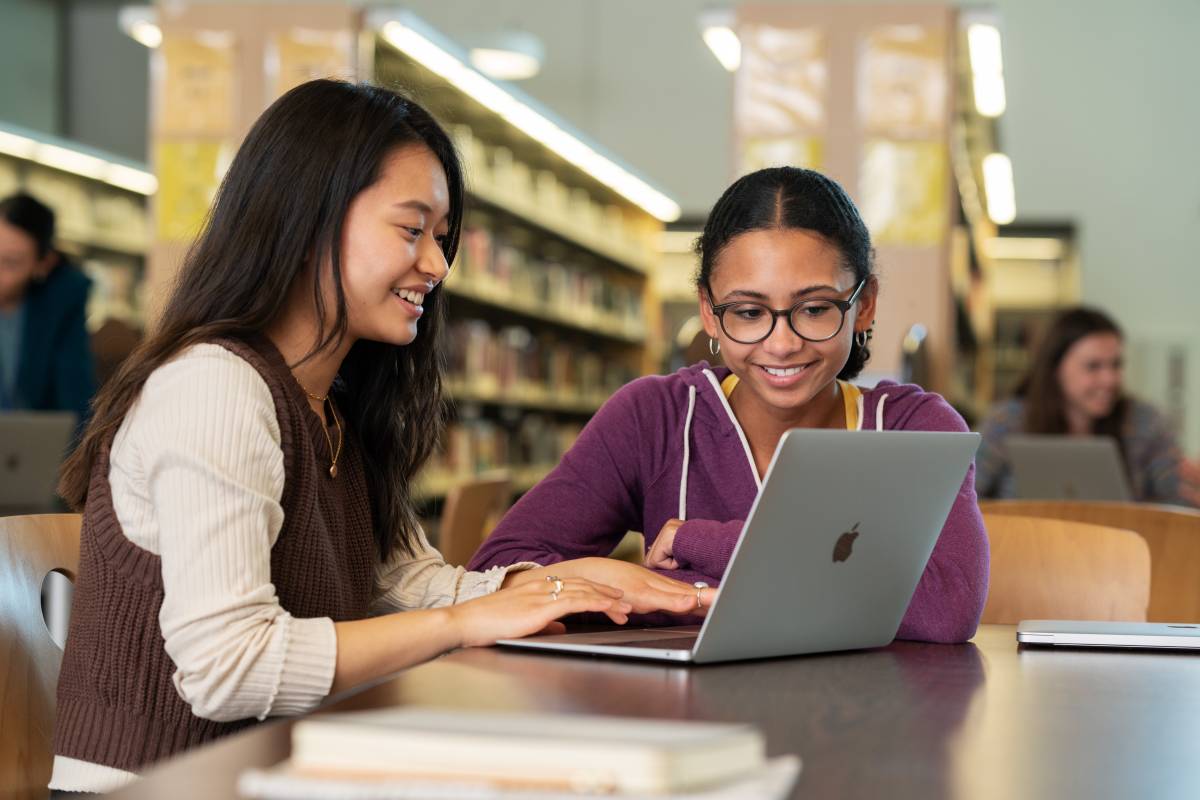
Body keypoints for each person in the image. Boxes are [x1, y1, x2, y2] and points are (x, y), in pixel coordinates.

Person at [49, 80, 707, 794]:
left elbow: (402, 583)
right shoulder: (215, 387)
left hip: (270, 777)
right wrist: (465, 624)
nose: (438, 266)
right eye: (412, 230)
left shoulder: (333, 405)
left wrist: (558, 583)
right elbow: (227, 668)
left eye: (442, 238)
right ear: (307, 222)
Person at [471, 166, 989, 643]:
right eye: (747, 312)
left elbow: (947, 606)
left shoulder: (916, 429)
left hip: (860, 709)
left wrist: (700, 544)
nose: (782, 344)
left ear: (865, 304)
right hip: (687, 709)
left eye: (814, 309)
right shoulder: (654, 417)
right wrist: (695, 596)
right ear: (709, 312)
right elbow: (498, 573)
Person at [975, 307, 1200, 506]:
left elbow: (1177, 500)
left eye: (1116, 365)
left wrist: (1192, 489)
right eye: (1093, 366)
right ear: (1055, 368)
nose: (1109, 379)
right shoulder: (1007, 420)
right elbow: (967, 495)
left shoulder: (1145, 421)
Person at [0, 192, 96, 425]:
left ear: (43, 264)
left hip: (26, 444)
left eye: (10, 263)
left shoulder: (61, 301)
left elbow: (75, 398)